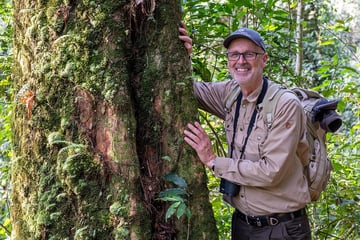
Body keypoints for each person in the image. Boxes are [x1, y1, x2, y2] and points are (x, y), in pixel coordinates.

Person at [179, 23, 312, 240]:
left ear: (264, 59)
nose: (241, 61)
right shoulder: (231, 93)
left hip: (282, 228)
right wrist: (182, 56)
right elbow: (187, 89)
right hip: (242, 225)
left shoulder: (285, 105)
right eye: (234, 55)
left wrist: (213, 161)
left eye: (249, 54)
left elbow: (272, 171)